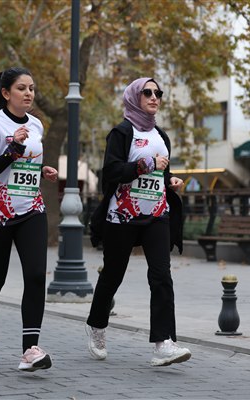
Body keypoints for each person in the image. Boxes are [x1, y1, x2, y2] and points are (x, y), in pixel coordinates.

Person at [86, 77, 191, 367]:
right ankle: (96, 326)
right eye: (148, 92)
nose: (154, 97)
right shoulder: (122, 133)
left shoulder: (161, 136)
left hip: (156, 214)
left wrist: (171, 180)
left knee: (161, 276)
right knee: (113, 275)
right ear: (135, 97)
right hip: (122, 216)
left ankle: (163, 343)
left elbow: (160, 173)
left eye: (158, 93)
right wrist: (146, 165)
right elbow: (112, 171)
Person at [0, 67, 58, 372]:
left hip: (31, 208)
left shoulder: (36, 124)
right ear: (6, 93)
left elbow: (26, 162)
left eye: (31, 88)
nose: (28, 93)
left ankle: (30, 349)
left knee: (35, 275)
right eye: (22, 88)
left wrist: (41, 169)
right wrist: (13, 148)